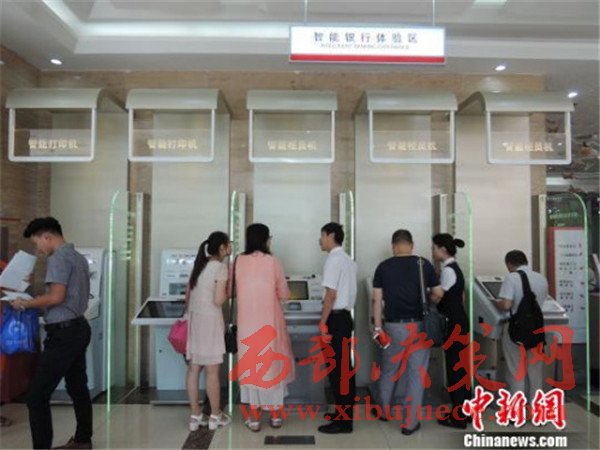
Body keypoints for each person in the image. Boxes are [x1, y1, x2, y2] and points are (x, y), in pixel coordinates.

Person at [10, 217, 92, 449]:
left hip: (64, 334)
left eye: (37, 243)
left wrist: (25, 303)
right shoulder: (77, 257)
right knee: (77, 387)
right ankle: (83, 440)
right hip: (78, 328)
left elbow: (56, 297)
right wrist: (34, 287)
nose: (38, 248)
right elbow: (63, 293)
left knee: (36, 396)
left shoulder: (58, 258)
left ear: (47, 236)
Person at [372, 229, 443, 435]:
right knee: (416, 375)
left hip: (393, 327)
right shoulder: (423, 264)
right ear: (411, 245)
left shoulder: (383, 267)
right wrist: (428, 303)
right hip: (419, 326)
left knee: (389, 370)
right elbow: (438, 293)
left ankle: (384, 412)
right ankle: (409, 423)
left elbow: (376, 299)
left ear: (393, 246)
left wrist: (378, 328)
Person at [234, 223, 294, 432]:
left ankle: (254, 418)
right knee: (272, 369)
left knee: (251, 370)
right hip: (269, 325)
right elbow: (284, 294)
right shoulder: (273, 261)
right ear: (265, 240)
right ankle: (275, 417)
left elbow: (232, 290)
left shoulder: (238, 261)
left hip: (246, 327)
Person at [185, 231, 232, 432]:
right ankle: (215, 415)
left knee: (194, 369)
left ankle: (195, 416)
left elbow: (187, 297)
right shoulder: (220, 267)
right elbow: (218, 300)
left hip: (195, 320)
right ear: (222, 247)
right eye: (229, 243)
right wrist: (229, 291)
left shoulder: (199, 266)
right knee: (212, 371)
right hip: (211, 321)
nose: (230, 247)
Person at [317, 222, 357, 434]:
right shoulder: (348, 260)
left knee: (338, 371)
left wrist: (323, 322)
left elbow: (330, 295)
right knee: (343, 369)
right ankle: (343, 414)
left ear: (331, 235)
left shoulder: (333, 260)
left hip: (335, 319)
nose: (320, 240)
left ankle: (343, 422)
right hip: (345, 319)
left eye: (322, 235)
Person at [494, 250, 548, 400]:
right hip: (537, 328)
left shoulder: (512, 278)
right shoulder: (541, 278)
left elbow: (506, 304)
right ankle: (536, 407)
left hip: (516, 330)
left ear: (509, 263)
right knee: (535, 372)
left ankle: (517, 407)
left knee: (516, 370)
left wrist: (496, 302)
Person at [431, 233, 471, 429]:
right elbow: (460, 297)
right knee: (461, 369)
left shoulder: (448, 270)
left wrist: (429, 293)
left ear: (443, 249)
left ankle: (458, 417)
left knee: (455, 370)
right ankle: (465, 411)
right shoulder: (455, 268)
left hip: (453, 325)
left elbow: (438, 296)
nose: (433, 252)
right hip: (460, 322)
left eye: (434, 248)